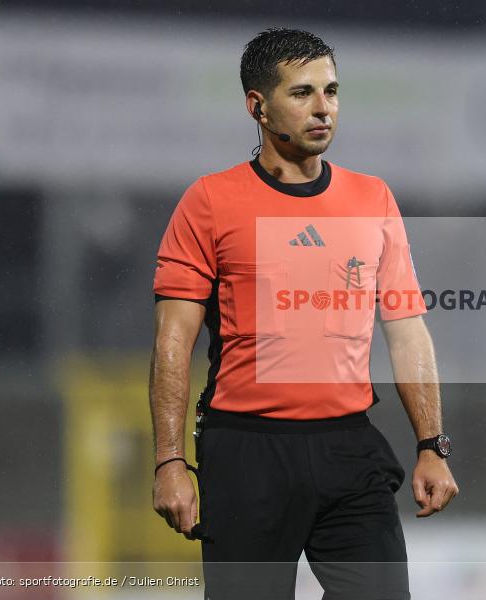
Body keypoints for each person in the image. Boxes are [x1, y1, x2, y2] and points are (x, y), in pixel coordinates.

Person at [149, 28, 458, 599]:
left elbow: (408, 331)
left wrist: (431, 445)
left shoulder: (374, 198)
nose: (324, 108)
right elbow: (173, 342)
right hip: (247, 453)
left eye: (332, 91)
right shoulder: (209, 201)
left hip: (349, 449)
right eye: (302, 93)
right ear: (257, 107)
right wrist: (170, 460)